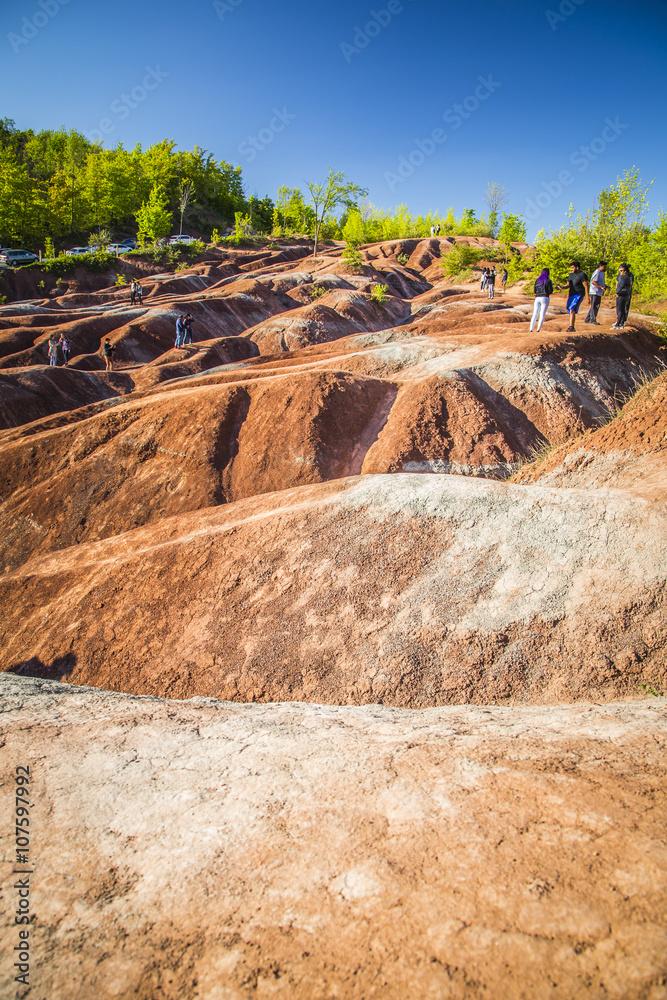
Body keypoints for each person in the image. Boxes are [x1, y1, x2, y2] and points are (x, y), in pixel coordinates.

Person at [564, 261, 589, 332]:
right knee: (569, 308)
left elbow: (586, 286)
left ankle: (571, 327)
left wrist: (588, 298)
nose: (571, 269)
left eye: (572, 267)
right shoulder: (571, 275)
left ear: (577, 267)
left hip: (579, 294)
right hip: (571, 294)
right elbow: (568, 285)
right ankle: (571, 325)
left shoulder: (582, 275)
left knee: (572, 309)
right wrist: (561, 287)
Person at [529, 268, 554, 332]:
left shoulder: (537, 280)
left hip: (537, 298)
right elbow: (550, 291)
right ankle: (538, 329)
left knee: (535, 314)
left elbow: (535, 290)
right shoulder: (548, 280)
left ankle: (531, 329)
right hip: (545, 297)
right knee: (542, 314)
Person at [611, 264, 633, 329]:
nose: (620, 272)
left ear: (625, 271)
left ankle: (618, 324)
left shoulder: (625, 277)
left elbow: (621, 285)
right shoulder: (626, 277)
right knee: (622, 309)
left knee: (620, 309)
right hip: (625, 294)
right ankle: (621, 323)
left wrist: (617, 292)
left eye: (621, 270)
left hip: (622, 294)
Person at [585, 260, 607, 325]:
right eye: (604, 267)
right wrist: (600, 287)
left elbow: (600, 282)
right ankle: (592, 319)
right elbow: (593, 282)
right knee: (595, 306)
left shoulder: (601, 273)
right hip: (595, 292)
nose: (605, 268)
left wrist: (605, 286)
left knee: (595, 306)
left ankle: (588, 319)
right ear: (601, 266)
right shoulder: (597, 272)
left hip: (598, 292)